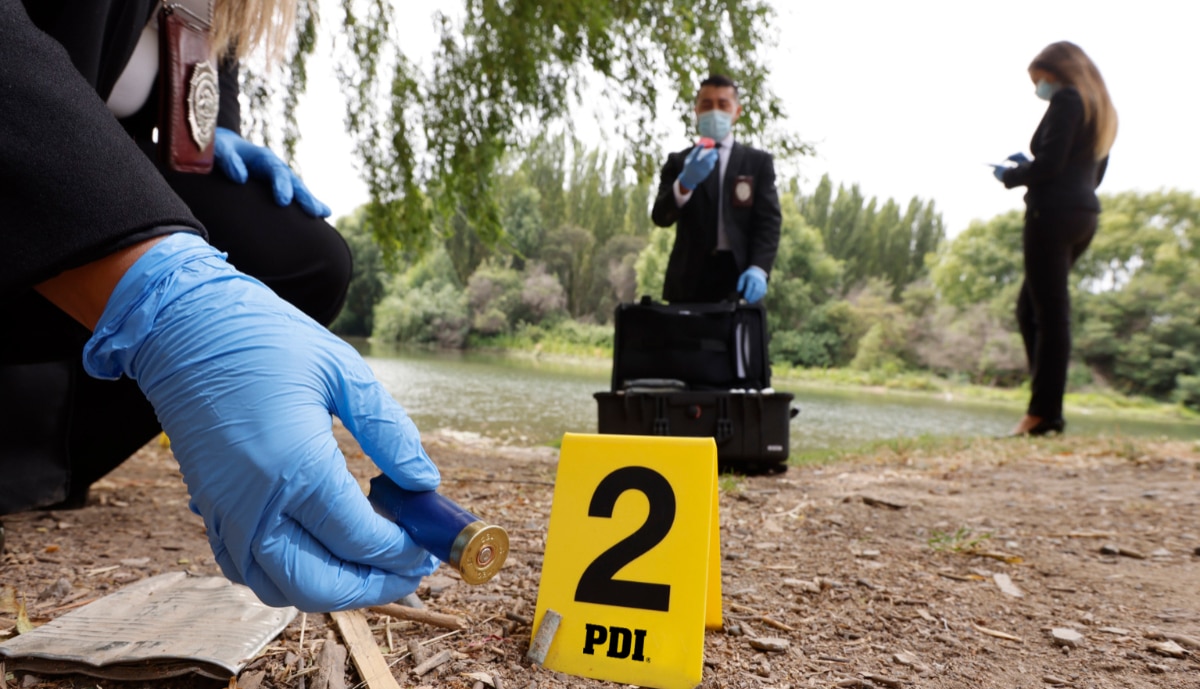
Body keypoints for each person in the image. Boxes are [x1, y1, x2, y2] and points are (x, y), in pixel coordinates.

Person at [1, 0, 440, 612]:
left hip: (91, 183)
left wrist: (214, 133)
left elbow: (203, 77)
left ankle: (43, 458)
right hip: (24, 163)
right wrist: (172, 300)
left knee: (306, 257)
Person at [992, 41, 1117, 437]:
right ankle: (1045, 409)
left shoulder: (1067, 99)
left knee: (1048, 314)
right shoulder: (1100, 111)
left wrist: (1011, 175)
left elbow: (1050, 165)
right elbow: (1087, 171)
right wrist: (1032, 166)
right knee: (1031, 310)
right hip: (1083, 214)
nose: (1038, 90)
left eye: (1039, 81)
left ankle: (1044, 414)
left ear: (1057, 73)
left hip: (1052, 215)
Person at [651, 74, 782, 304]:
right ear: (696, 110)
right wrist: (684, 183)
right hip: (688, 285)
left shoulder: (757, 163)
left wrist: (759, 269)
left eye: (723, 104)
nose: (714, 111)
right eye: (707, 104)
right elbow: (661, 217)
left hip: (739, 281)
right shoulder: (678, 162)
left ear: (736, 111)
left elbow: (768, 222)